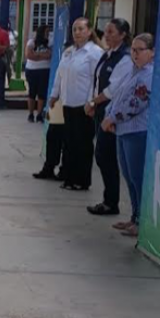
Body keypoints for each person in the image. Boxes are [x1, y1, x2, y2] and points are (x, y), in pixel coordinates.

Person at [102, 33, 155, 237]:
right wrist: (109, 115)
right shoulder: (133, 71)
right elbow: (119, 96)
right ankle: (134, 216)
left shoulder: (149, 74)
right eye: (133, 49)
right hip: (123, 130)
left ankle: (142, 221)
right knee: (129, 177)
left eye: (140, 50)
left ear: (151, 53)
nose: (135, 53)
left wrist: (113, 118)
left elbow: (136, 102)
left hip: (137, 131)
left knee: (138, 177)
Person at [48, 18, 103, 191]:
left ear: (89, 31)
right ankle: (69, 178)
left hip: (84, 105)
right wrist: (54, 95)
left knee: (83, 144)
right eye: (74, 29)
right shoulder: (69, 52)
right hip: (68, 103)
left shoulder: (94, 53)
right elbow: (60, 73)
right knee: (69, 142)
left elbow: (97, 80)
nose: (77, 33)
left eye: (81, 29)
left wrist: (91, 102)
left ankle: (82, 179)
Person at [85, 18, 133, 217]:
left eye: (111, 32)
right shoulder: (107, 55)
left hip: (112, 113)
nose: (106, 35)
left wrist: (94, 102)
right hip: (101, 110)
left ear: (122, 35)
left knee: (105, 155)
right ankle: (109, 199)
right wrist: (92, 102)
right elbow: (97, 80)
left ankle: (111, 201)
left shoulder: (125, 58)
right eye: (106, 31)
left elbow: (112, 89)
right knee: (104, 156)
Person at [24, 25, 52, 122]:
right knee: (32, 92)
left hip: (44, 70)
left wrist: (37, 55)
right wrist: (42, 56)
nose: (48, 34)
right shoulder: (31, 42)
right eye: (46, 32)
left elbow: (50, 55)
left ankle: (39, 114)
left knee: (42, 93)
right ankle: (31, 114)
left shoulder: (50, 42)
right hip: (31, 70)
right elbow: (29, 55)